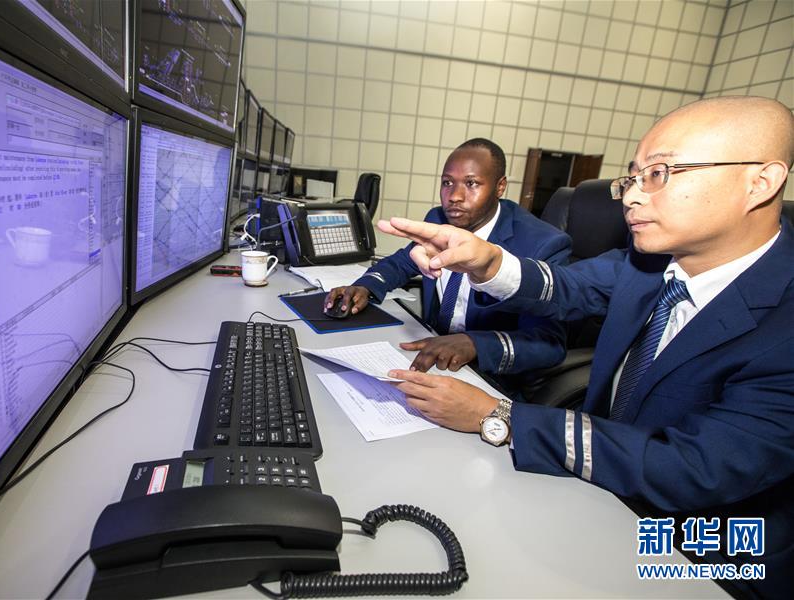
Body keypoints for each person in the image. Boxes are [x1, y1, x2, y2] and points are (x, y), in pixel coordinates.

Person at [379, 96, 794, 598]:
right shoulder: (649, 264)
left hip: (709, 553)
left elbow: (696, 468)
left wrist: (501, 415)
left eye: (660, 174)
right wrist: (487, 263)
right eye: (633, 177)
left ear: (761, 182)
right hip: (605, 484)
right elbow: (565, 287)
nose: (631, 198)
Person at [324, 138, 571, 387]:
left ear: (500, 187)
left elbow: (548, 343)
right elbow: (403, 262)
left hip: (490, 375)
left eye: (471, 183)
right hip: (431, 351)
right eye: (447, 183)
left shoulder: (541, 244)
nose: (454, 196)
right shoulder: (439, 219)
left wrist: (474, 343)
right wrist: (365, 286)